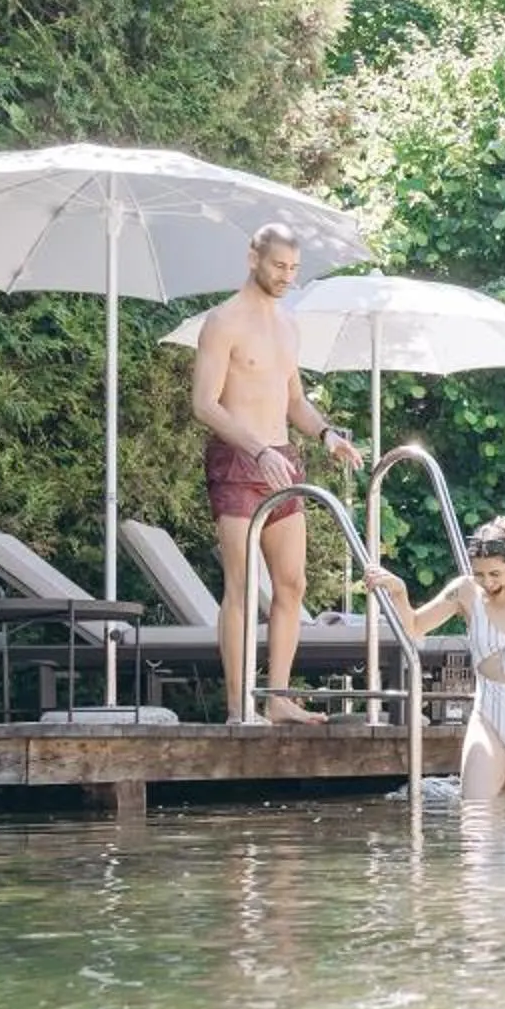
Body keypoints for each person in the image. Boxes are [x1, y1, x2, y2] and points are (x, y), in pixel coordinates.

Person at [186, 222, 361, 724]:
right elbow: (204, 404)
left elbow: (295, 402)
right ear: (253, 258)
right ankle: (240, 706)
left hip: (282, 459)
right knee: (242, 586)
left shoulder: (288, 325)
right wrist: (258, 449)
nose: (286, 276)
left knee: (292, 585)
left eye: (293, 269)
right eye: (278, 266)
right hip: (240, 459)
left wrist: (327, 434)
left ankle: (279, 697)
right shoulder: (223, 323)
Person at [372, 517, 505, 802]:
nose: (487, 583)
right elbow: (415, 625)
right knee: (476, 807)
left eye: (495, 574)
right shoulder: (465, 592)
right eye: (479, 574)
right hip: (490, 715)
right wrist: (398, 592)